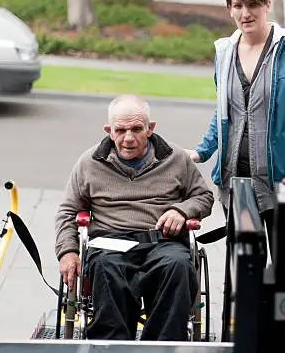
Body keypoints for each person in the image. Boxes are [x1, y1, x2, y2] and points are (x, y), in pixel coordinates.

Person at [54, 94, 214, 341]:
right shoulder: (89, 162)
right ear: (109, 131)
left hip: (163, 241)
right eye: (121, 130)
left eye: (137, 129)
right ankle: (113, 347)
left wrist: (182, 211)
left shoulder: (176, 158)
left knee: (178, 266)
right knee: (106, 269)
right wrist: (67, 251)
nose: (128, 138)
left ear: (150, 129)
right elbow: (67, 211)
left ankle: (162, 347)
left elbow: (203, 196)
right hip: (109, 244)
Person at [185, 0, 285, 242]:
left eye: (253, 4)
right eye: (238, 6)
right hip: (235, 179)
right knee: (245, 270)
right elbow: (224, 111)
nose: (245, 13)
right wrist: (202, 152)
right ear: (230, 9)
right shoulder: (224, 52)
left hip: (280, 179)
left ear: (267, 4)